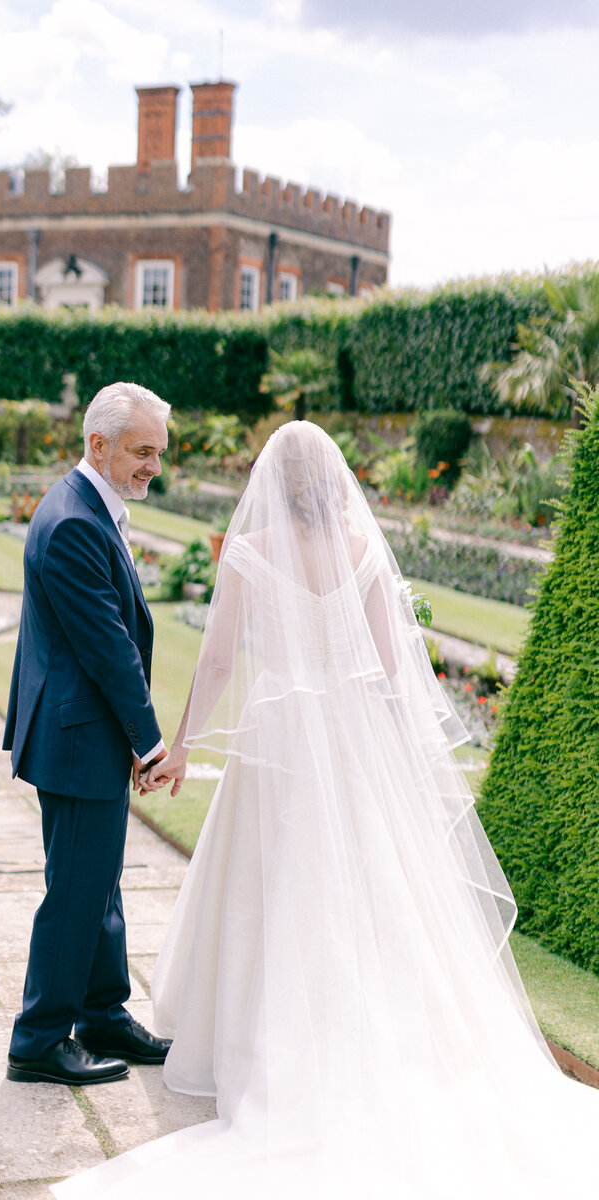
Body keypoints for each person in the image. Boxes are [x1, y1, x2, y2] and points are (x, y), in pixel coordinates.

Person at [51, 420, 599, 1197]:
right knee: (373, 893)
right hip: (355, 736)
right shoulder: (363, 548)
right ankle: (387, 1040)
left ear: (271, 480)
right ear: (337, 479)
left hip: (279, 737)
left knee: (273, 890)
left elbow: (215, 659)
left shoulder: (251, 548)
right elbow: (386, 664)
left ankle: (276, 1047)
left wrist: (178, 744)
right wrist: (398, 761)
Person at [3, 381, 173, 1087]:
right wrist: (152, 743)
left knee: (98, 883)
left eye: (159, 454)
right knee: (77, 890)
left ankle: (104, 1014)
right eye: (141, 452)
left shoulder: (83, 506)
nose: (152, 467)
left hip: (78, 732)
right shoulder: (74, 521)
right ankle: (39, 1039)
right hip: (79, 736)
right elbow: (109, 650)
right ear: (98, 445)